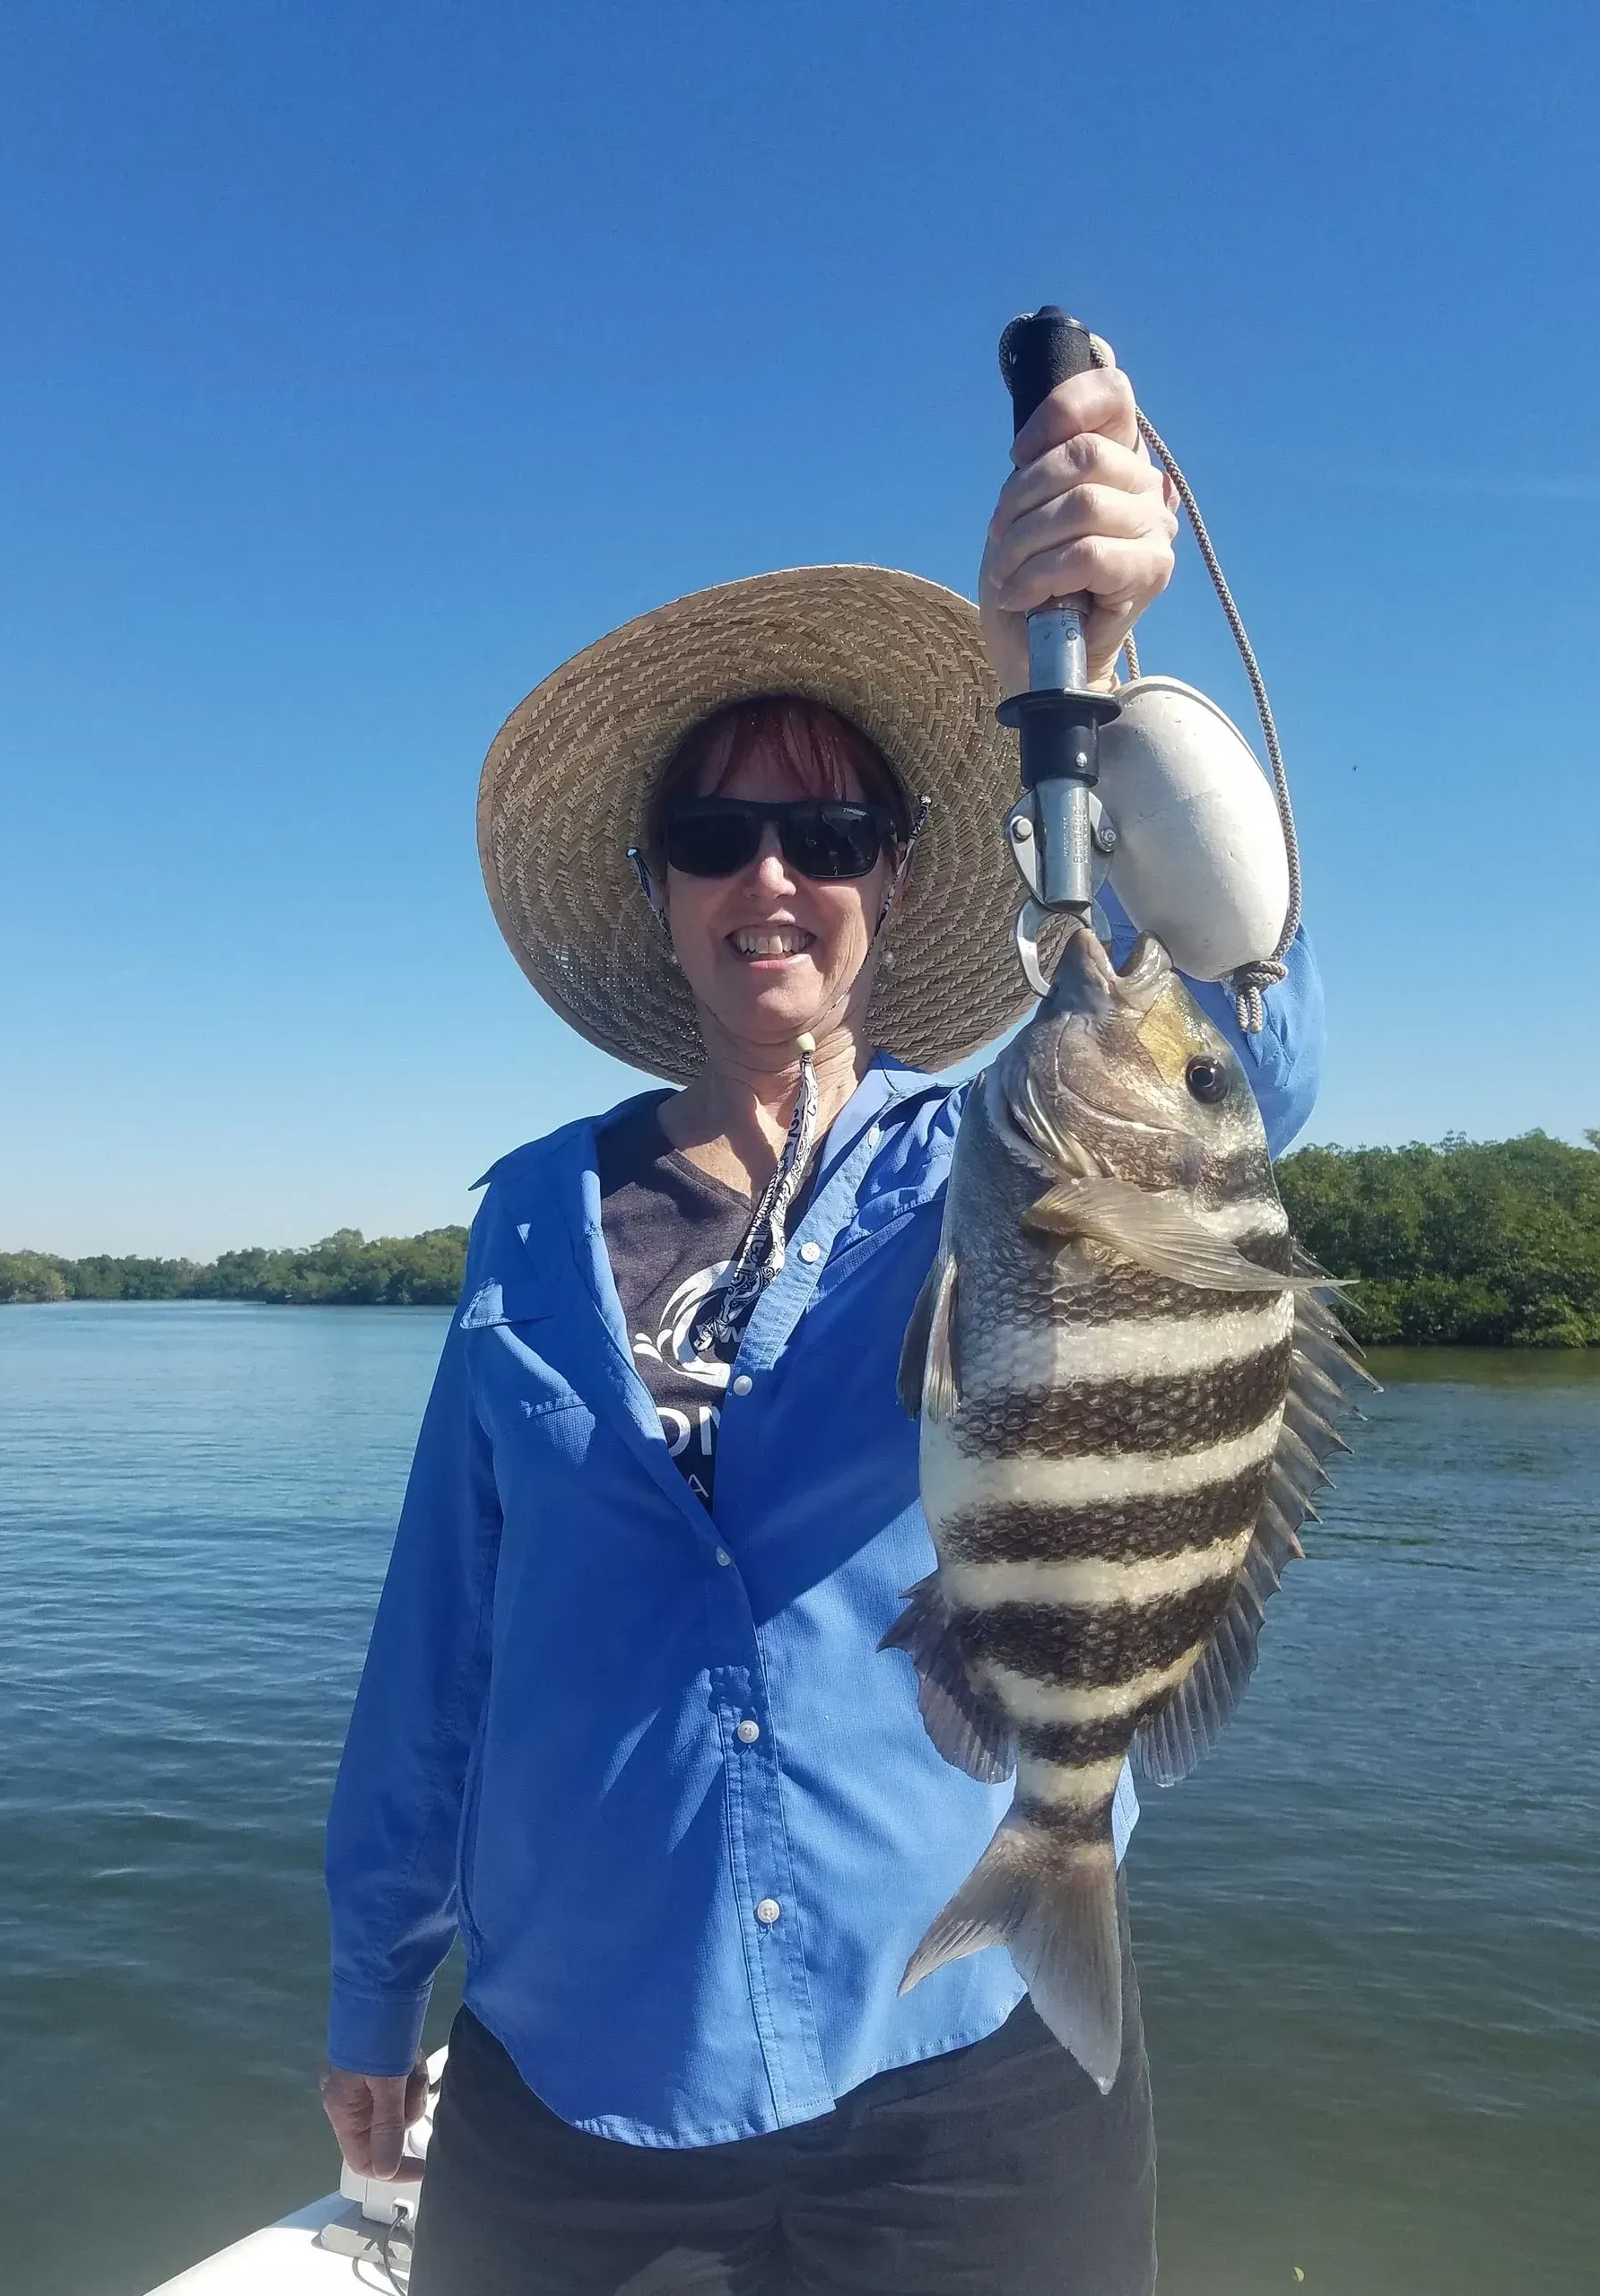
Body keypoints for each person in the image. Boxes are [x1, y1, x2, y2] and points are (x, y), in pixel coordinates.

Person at [319, 357, 1323, 2295]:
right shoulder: (534, 1218)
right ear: (659, 887)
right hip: (582, 2065)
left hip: (966, 2067)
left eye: (833, 831)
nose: (771, 876)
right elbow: (441, 1639)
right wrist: (378, 1968)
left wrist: (1095, 676)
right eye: (714, 831)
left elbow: (1245, 1046)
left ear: (894, 876)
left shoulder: (994, 1151)